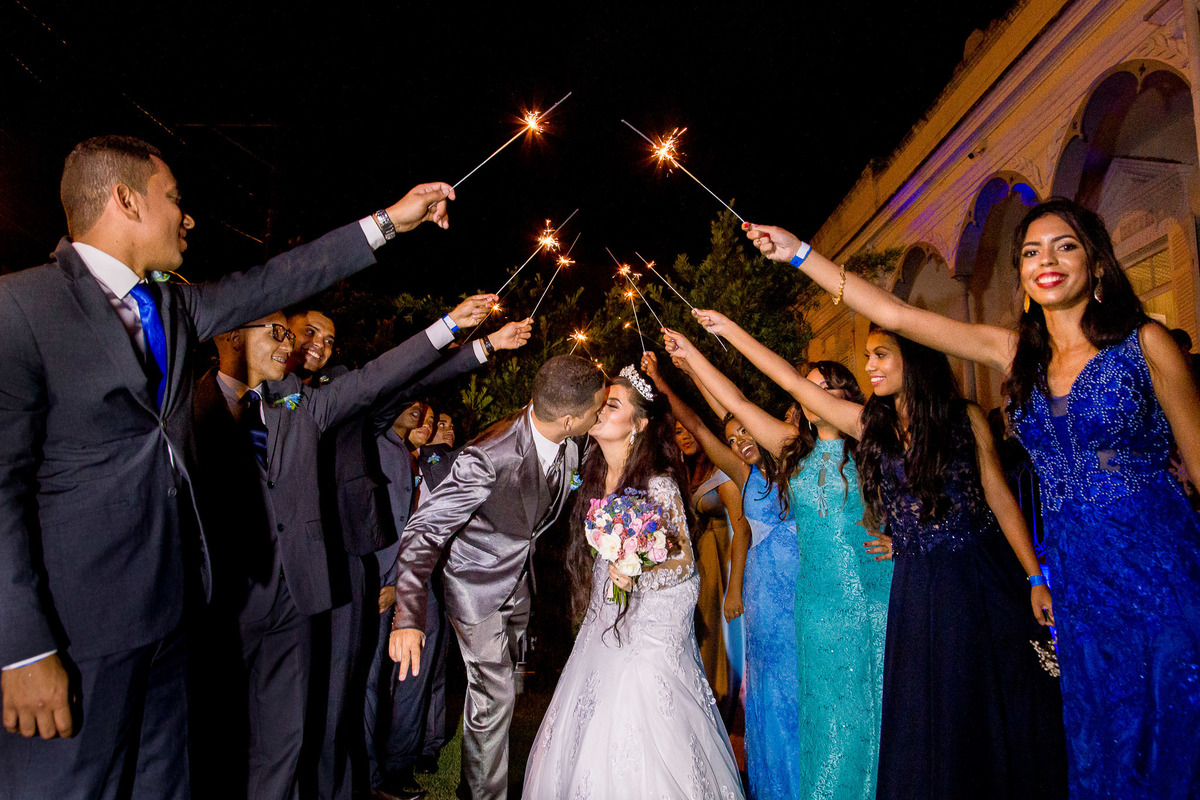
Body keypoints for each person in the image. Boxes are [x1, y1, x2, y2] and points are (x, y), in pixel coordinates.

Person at [0, 134, 455, 799]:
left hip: (173, 618)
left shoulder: (174, 310)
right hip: (73, 632)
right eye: (174, 199)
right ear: (124, 200)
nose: (187, 218)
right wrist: (20, 646)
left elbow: (278, 280)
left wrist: (389, 222)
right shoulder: (21, 308)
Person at [746, 200, 1200, 799]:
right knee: (1101, 739)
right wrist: (800, 254)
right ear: (1021, 274)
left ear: (1095, 261)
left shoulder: (1146, 345)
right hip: (1077, 577)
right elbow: (893, 313)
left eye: (1065, 246)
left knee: (1174, 723)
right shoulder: (1016, 355)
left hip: (1157, 565)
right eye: (1032, 252)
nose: (1048, 261)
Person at [682, 310, 1068, 799]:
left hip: (883, 595)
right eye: (865, 359)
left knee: (901, 710)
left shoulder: (882, 438)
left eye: (878, 356)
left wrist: (1030, 576)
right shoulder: (809, 448)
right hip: (819, 606)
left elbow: (983, 497)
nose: (869, 367)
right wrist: (705, 345)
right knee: (831, 717)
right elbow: (744, 394)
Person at [188, 296, 493, 800]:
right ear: (232, 336)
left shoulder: (313, 405)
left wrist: (461, 337)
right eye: (293, 334)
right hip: (224, 597)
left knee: (313, 720)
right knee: (221, 732)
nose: (307, 346)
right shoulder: (197, 404)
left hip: (318, 581)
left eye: (324, 340)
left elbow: (390, 381)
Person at [653, 341, 893, 800]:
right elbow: (717, 417)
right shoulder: (769, 468)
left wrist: (903, 540)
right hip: (790, 596)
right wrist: (680, 372)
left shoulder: (841, 452)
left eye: (821, 388)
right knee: (788, 697)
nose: (742, 438)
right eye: (736, 435)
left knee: (848, 698)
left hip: (843, 591)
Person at [389, 355, 607, 800]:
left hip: (517, 584)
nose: (600, 415)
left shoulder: (568, 443)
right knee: (493, 695)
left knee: (508, 688)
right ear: (570, 418)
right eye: (597, 410)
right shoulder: (486, 458)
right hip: (475, 588)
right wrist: (408, 615)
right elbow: (424, 530)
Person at [522, 366, 745, 799]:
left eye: (613, 404)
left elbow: (682, 563)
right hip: (605, 618)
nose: (600, 410)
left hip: (653, 628)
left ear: (639, 425)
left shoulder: (657, 483)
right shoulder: (587, 478)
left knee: (637, 711)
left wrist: (636, 565)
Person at [677, 418, 750, 721]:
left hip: (725, 558)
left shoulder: (723, 472)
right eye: (677, 432)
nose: (684, 436)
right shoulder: (689, 470)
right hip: (703, 560)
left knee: (722, 638)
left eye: (687, 429)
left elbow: (742, 528)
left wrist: (734, 588)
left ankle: (725, 708)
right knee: (704, 637)